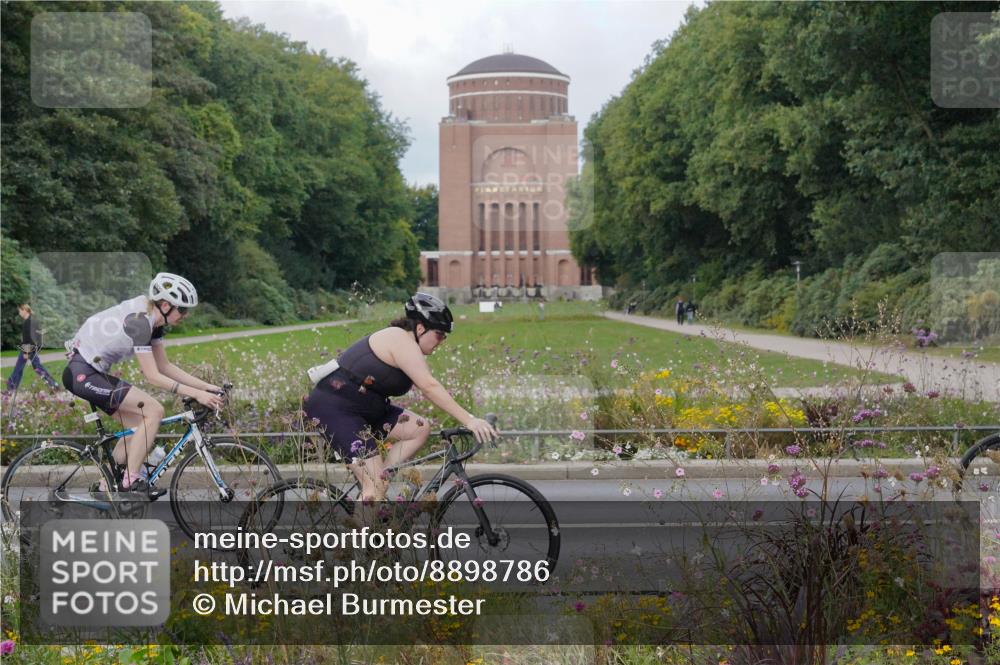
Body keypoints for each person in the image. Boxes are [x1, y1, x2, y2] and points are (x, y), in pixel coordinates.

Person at [304, 293, 497, 502]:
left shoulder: (410, 347)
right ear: (420, 328)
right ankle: (367, 507)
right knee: (375, 487)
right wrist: (469, 420)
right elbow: (429, 386)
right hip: (336, 408)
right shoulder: (399, 339)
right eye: (440, 334)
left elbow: (429, 383)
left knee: (419, 427)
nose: (442, 341)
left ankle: (378, 481)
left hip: (365, 408)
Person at [63, 273, 223, 492]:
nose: (185, 315)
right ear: (166, 305)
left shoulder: (154, 323)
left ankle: (108, 485)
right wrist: (196, 394)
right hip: (83, 373)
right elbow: (152, 375)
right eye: (183, 309)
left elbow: (165, 366)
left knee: (140, 427)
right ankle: (130, 480)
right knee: (154, 411)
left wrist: (204, 387)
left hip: (91, 371)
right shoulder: (140, 321)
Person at [6, 304, 59, 392]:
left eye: (20, 311)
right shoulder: (32, 320)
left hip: (27, 349)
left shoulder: (28, 322)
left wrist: (26, 352)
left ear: (24, 310)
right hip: (30, 348)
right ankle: (53, 384)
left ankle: (11, 387)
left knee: (19, 367)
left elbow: (29, 338)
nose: (19, 313)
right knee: (36, 367)